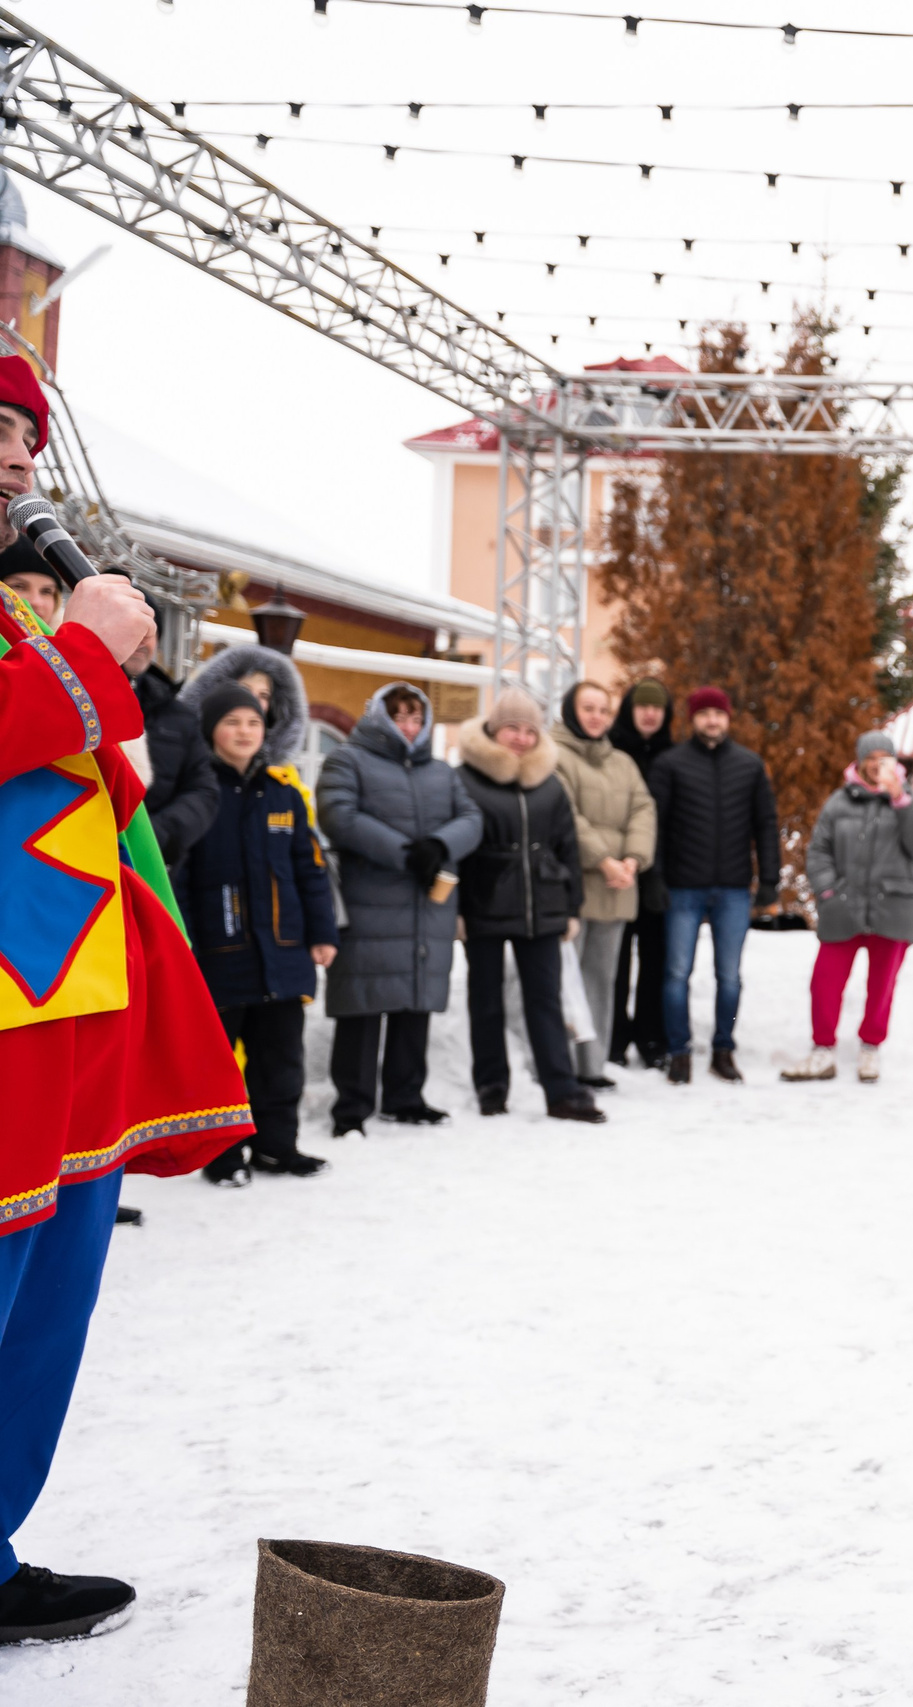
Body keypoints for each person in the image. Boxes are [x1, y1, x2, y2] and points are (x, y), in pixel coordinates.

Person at [0, 353, 256, 1642]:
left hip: (70, 1010)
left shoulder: (18, 621)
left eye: (24, 439)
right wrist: (85, 656)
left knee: (47, 1312)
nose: (14, 460)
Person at [179, 683, 339, 1182]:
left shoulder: (284, 792)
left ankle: (277, 1147)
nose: (244, 731)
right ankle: (223, 1156)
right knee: (219, 1067)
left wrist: (323, 933)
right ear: (211, 731)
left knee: (281, 1060)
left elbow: (311, 870)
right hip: (220, 952)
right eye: (232, 722)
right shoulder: (200, 791)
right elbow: (179, 875)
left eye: (253, 722)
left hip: (285, 952)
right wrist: (184, 944)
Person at [317, 682, 483, 1136]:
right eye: (400, 717)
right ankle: (351, 1108)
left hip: (425, 909)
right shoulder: (347, 759)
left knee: (415, 1001)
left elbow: (472, 820)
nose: (409, 727)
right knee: (363, 1008)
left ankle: (405, 1096)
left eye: (416, 718)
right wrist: (407, 853)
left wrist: (438, 845)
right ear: (380, 719)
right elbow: (338, 815)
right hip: (369, 903)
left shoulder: (442, 773)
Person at [453, 689, 600, 1123]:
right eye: (511, 729)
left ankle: (561, 1090)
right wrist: (456, 910)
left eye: (528, 730)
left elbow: (567, 847)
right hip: (483, 904)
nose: (520, 738)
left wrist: (573, 907)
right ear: (494, 730)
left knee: (545, 1001)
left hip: (543, 907)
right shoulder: (465, 779)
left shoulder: (549, 783)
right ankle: (492, 1086)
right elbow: (456, 851)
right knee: (486, 1001)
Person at [785, 730, 913, 1084]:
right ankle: (822, 1051)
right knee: (824, 981)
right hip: (844, 908)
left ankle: (871, 1048)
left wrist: (899, 798)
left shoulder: (907, 799)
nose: (876, 765)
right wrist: (827, 893)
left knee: (882, 984)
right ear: (860, 761)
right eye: (871, 758)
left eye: (884, 758)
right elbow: (819, 850)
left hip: (893, 908)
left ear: (894, 763)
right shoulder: (839, 802)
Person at [649, 684, 780, 1085]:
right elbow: (654, 825)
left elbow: (766, 825)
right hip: (682, 888)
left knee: (730, 976)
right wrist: (654, 878)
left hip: (733, 889)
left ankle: (724, 1050)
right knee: (675, 974)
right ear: (693, 719)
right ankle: (679, 1052)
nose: (712, 720)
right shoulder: (670, 764)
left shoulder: (749, 765)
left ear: (728, 718)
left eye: (719, 713)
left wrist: (770, 879)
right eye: (704, 713)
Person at [551, 680, 656, 1090]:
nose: (596, 717)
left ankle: (590, 1066)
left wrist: (632, 859)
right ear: (571, 710)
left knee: (601, 980)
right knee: (565, 982)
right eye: (588, 708)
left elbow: (643, 810)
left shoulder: (622, 763)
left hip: (617, 889)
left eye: (603, 710)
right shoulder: (555, 755)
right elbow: (566, 816)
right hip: (576, 888)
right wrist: (605, 860)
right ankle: (558, 1066)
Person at [605, 678, 675, 1068]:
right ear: (629, 710)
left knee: (656, 962)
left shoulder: (675, 755)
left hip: (659, 876)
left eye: (657, 707)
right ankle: (614, 1036)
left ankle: (652, 1037)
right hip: (616, 873)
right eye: (642, 706)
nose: (649, 713)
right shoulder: (610, 750)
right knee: (614, 962)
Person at [121, 629, 218, 871]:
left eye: (150, 631)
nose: (142, 638)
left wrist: (153, 835)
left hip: (153, 866)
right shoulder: (79, 695)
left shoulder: (179, 716)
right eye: (134, 627)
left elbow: (203, 790)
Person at [177, 640, 312, 811]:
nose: (254, 700)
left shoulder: (283, 775)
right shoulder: (189, 765)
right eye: (245, 690)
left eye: (264, 695)